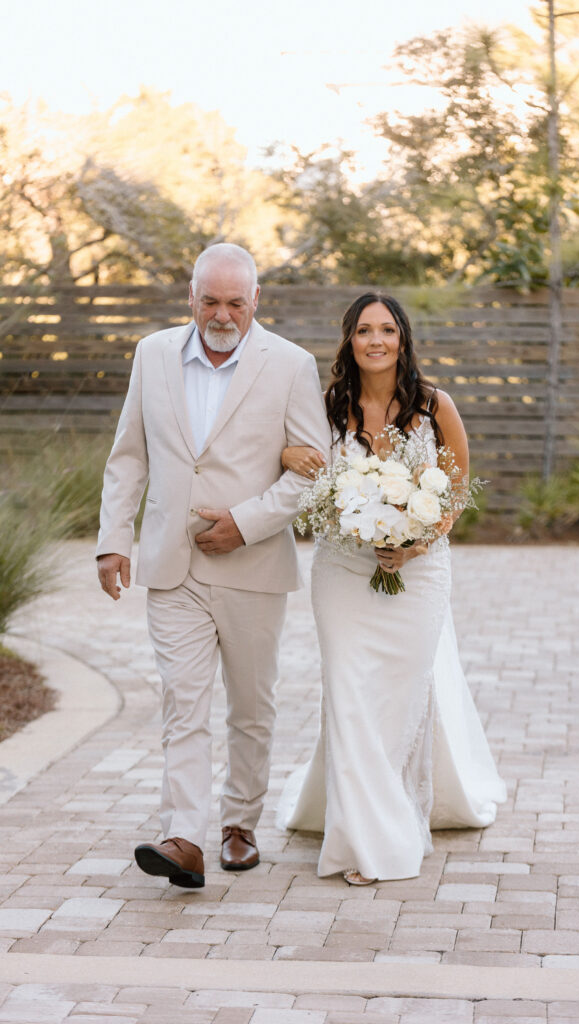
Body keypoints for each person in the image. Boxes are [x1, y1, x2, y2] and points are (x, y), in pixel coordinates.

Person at [96, 243, 331, 888]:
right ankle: (183, 838)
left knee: (251, 707)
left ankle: (240, 824)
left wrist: (246, 522)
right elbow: (129, 457)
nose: (222, 314)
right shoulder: (152, 354)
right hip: (171, 565)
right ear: (190, 298)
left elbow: (316, 467)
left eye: (235, 301)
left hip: (253, 567)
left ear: (256, 301)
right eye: (210, 300)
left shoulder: (290, 364)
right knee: (184, 702)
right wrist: (113, 538)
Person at [277, 292, 506, 884]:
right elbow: (286, 455)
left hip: (421, 570)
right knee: (350, 696)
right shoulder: (326, 407)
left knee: (398, 699)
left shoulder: (435, 406)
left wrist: (416, 541)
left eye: (386, 330)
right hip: (342, 571)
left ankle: (389, 820)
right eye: (363, 330)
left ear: (403, 339)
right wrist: (288, 452)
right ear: (348, 340)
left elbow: (454, 489)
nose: (375, 340)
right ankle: (364, 837)